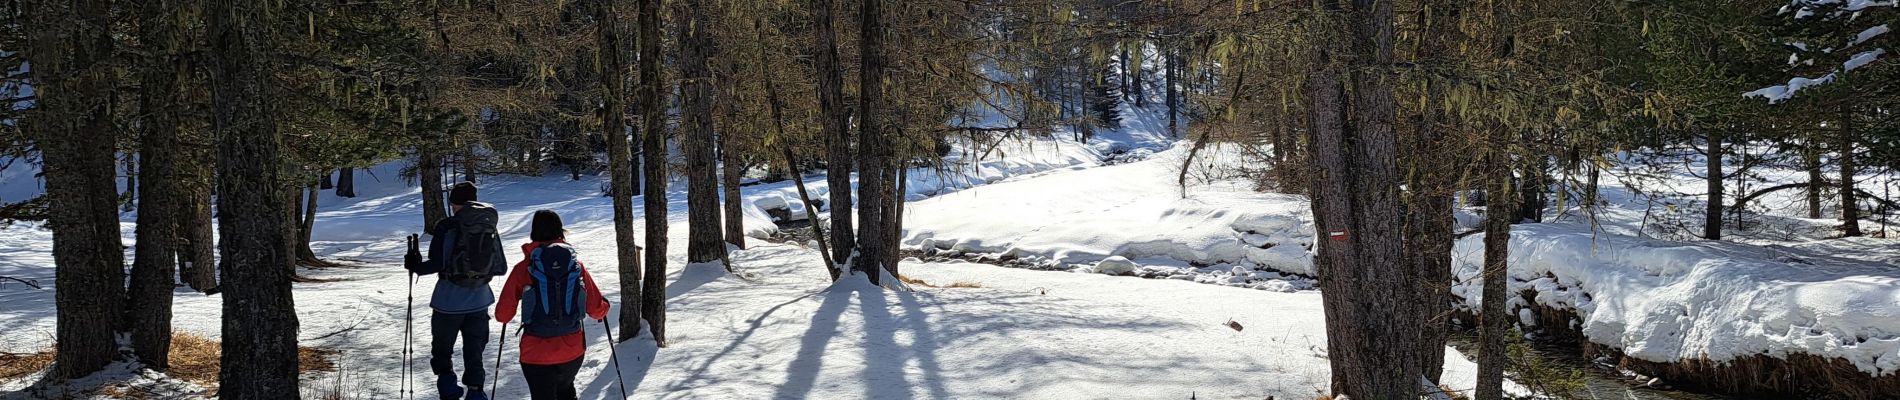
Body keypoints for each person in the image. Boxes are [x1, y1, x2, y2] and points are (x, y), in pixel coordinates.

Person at [405, 182, 508, 400]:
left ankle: (448, 387)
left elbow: (437, 263)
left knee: (442, 348)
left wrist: (414, 265)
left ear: (453, 202)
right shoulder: (488, 223)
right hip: (480, 298)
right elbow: (500, 265)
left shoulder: (448, 226)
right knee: (475, 350)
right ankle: (476, 392)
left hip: (448, 301)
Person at [497, 210, 610, 400]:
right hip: (571, 349)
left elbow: (503, 315)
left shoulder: (524, 268)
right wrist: (605, 306)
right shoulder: (575, 265)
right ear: (560, 231)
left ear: (534, 232)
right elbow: (596, 310)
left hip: (536, 351)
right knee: (566, 391)